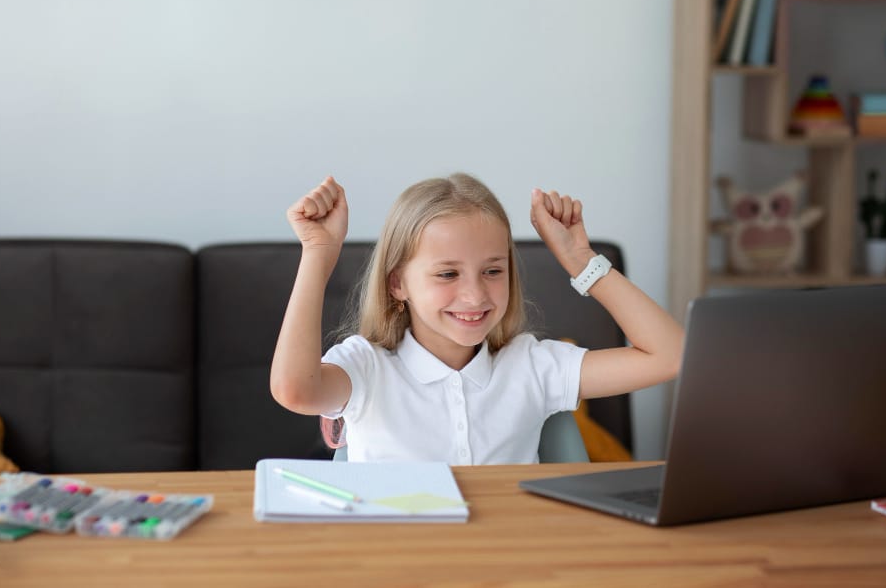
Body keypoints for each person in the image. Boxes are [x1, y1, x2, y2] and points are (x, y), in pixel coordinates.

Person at [269, 173, 683, 464]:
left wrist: (580, 261)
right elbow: (295, 390)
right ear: (398, 284)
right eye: (448, 274)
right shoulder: (366, 367)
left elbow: (670, 355)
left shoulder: (532, 367)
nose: (475, 294)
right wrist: (318, 254)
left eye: (492, 270)